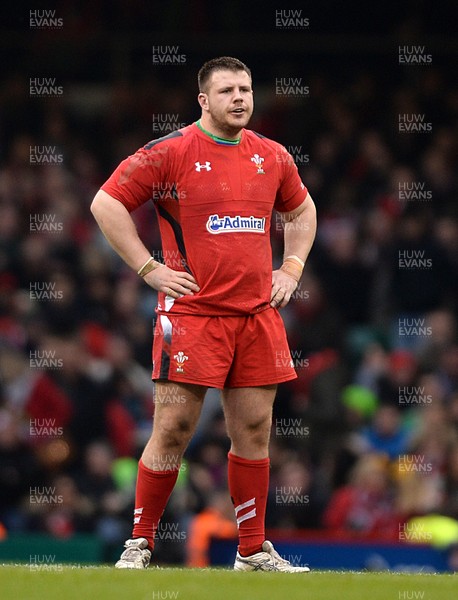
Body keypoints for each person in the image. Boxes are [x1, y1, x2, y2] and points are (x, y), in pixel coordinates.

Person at [91, 56, 316, 572]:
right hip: (193, 314)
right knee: (173, 427)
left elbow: (301, 210)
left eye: (246, 89)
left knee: (255, 428)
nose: (240, 98)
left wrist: (293, 267)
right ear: (203, 100)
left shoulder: (273, 156)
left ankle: (252, 550)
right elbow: (106, 203)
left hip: (257, 314)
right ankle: (139, 544)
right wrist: (149, 268)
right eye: (228, 91)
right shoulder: (169, 152)